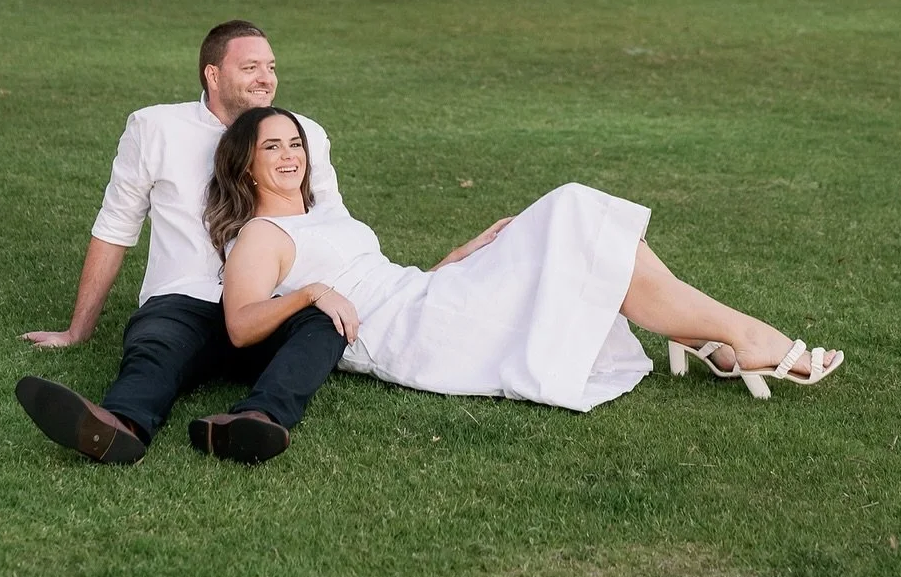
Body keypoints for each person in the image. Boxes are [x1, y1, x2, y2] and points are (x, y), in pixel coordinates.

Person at [208, 107, 845, 414]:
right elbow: (240, 324)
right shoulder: (261, 234)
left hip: (423, 298)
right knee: (571, 210)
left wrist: (464, 254)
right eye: (274, 147)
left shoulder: (322, 212)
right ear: (245, 163)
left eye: (295, 143)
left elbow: (385, 281)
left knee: (569, 226)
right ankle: (733, 338)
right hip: (411, 337)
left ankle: (720, 336)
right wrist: (310, 292)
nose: (292, 155)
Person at [15, 20, 348, 468]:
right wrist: (79, 330)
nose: (266, 78)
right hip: (185, 302)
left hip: (273, 305)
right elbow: (116, 227)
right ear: (213, 76)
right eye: (250, 67)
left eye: (270, 66)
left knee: (321, 327)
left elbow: (333, 223)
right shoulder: (155, 127)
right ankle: (120, 426)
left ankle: (258, 419)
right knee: (154, 348)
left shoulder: (301, 133)